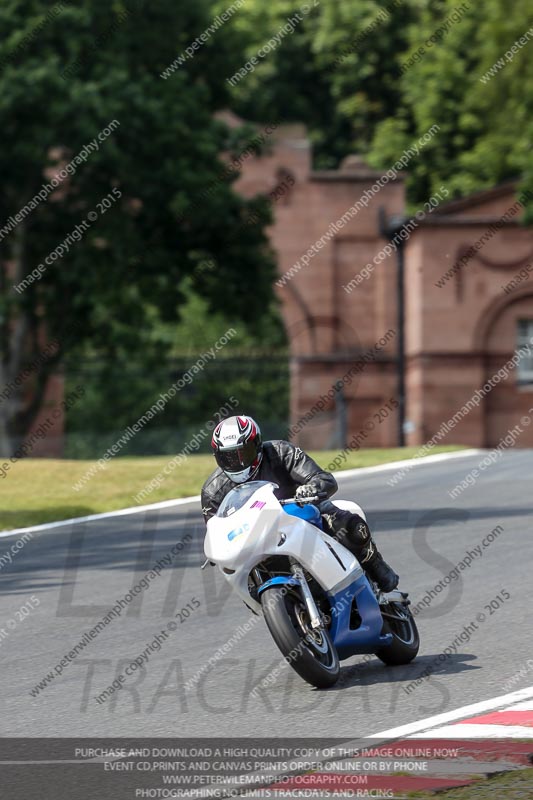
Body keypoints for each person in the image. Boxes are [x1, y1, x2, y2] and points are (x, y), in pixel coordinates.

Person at [201, 414, 399, 592]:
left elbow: (324, 478)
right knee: (238, 572)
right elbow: (216, 531)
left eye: (242, 453)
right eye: (227, 457)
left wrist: (312, 488)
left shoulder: (281, 452)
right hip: (256, 536)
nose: (237, 463)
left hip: (300, 512)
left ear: (257, 444)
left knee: (348, 525)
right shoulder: (212, 491)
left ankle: (375, 565)